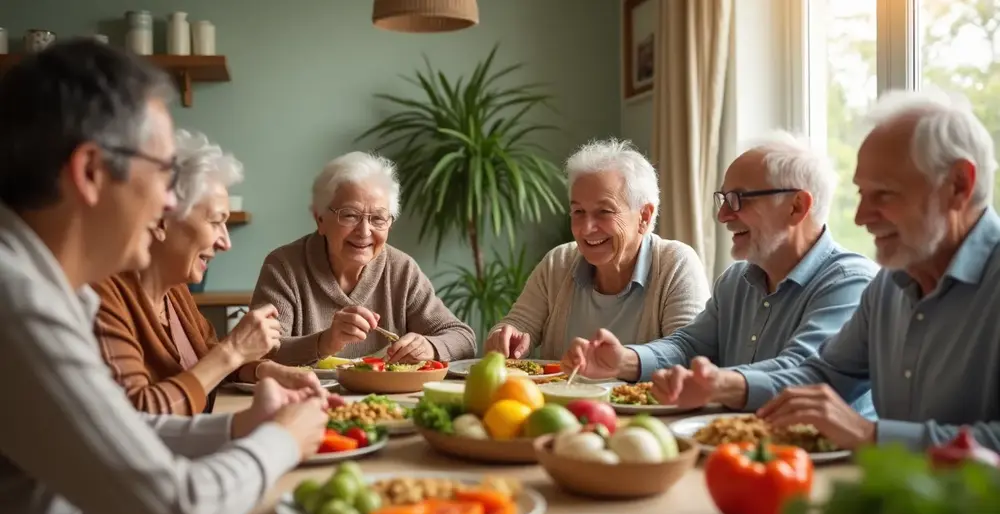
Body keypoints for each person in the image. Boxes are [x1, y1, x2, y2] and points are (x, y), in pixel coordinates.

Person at [0, 39, 329, 514]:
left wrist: (235, 428)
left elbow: (116, 430)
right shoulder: (16, 302)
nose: (170, 203)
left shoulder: (42, 285)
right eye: (163, 172)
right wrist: (280, 442)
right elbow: (176, 513)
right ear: (89, 172)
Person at [749, 89, 999, 453]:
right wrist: (731, 386)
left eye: (883, 194)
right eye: (861, 194)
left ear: (958, 185)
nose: (860, 217)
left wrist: (872, 435)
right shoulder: (888, 285)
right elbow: (826, 376)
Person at [562, 132, 879, 415]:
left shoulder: (850, 282)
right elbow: (689, 346)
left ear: (796, 206)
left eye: (738, 199)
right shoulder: (736, 280)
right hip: (743, 452)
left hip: (830, 465)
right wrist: (625, 360)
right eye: (723, 199)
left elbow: (804, 370)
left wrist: (718, 383)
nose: (723, 215)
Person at [91, 129, 323, 417]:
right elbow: (139, 414)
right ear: (161, 218)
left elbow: (211, 360)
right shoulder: (104, 295)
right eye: (216, 222)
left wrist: (268, 370)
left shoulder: (174, 292)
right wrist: (235, 349)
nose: (226, 243)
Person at [485, 138, 711, 360]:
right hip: (563, 398)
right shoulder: (558, 262)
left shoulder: (676, 263)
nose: (586, 228)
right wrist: (506, 336)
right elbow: (519, 323)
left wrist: (624, 361)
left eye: (604, 212)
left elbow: (690, 353)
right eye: (578, 212)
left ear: (644, 216)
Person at [250, 151, 476, 365]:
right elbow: (258, 352)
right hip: (305, 399)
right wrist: (325, 342)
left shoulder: (402, 270)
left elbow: (463, 338)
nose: (365, 231)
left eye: (378, 218)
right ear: (320, 219)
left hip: (388, 401)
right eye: (350, 215)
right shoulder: (284, 267)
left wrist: (430, 346)